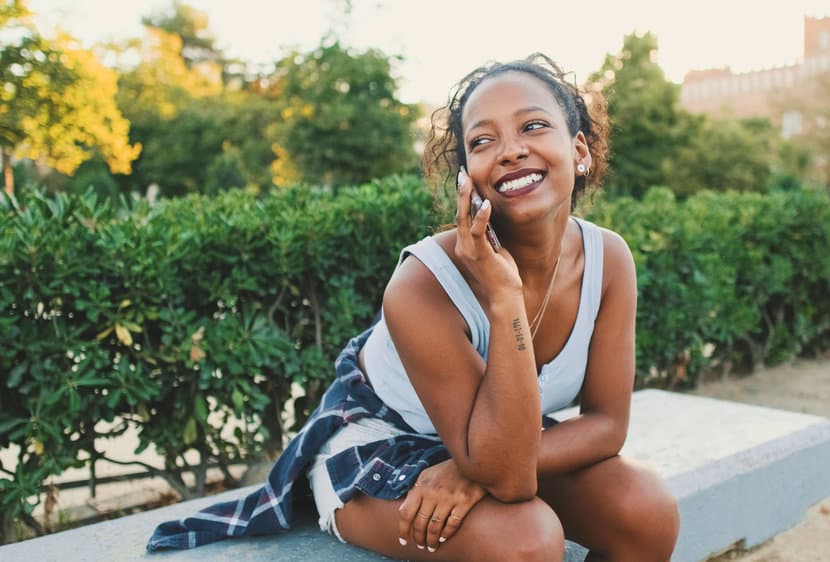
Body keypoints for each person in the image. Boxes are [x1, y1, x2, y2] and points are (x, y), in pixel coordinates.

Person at [148, 53, 680, 561]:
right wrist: (504, 297)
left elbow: (607, 425)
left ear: (580, 150)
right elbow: (513, 482)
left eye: (534, 126)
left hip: (500, 443)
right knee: (525, 541)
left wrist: (471, 469)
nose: (512, 150)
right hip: (382, 436)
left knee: (646, 511)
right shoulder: (422, 284)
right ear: (467, 175)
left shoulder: (607, 258)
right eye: (483, 140)